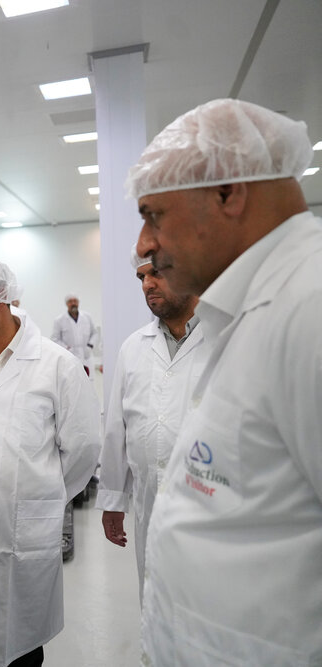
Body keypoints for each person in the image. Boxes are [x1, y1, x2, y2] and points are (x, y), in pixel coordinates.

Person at [127, 98, 322, 664]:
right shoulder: (250, 309)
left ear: (228, 193)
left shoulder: (308, 307)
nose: (143, 244)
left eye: (153, 215)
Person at [0, 255, 100, 667]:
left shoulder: (56, 365)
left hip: (24, 537)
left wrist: (36, 495)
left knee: (21, 652)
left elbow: (83, 450)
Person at [95, 250, 206, 598]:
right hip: (150, 503)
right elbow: (117, 429)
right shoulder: (133, 348)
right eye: (141, 277)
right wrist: (113, 499)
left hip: (212, 506)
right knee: (156, 600)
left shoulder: (228, 338)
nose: (147, 284)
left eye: (156, 273)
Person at [50, 294, 98, 375]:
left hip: (86, 357)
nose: (73, 303)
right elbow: (54, 339)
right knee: (72, 379)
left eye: (75, 301)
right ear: (66, 304)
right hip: (69, 357)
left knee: (88, 379)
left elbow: (94, 333)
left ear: (78, 303)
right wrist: (66, 348)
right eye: (70, 301)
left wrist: (90, 346)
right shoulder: (59, 320)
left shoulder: (87, 317)